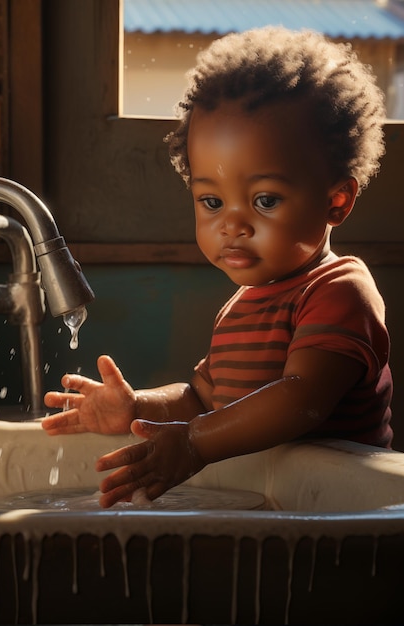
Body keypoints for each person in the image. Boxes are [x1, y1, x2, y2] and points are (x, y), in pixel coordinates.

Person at [42, 26, 393, 507]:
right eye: (211, 201)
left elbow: (302, 398)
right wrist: (136, 408)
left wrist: (194, 442)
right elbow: (203, 400)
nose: (232, 225)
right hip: (276, 511)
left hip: (341, 515)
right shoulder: (242, 305)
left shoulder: (339, 290)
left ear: (337, 199)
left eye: (265, 200)